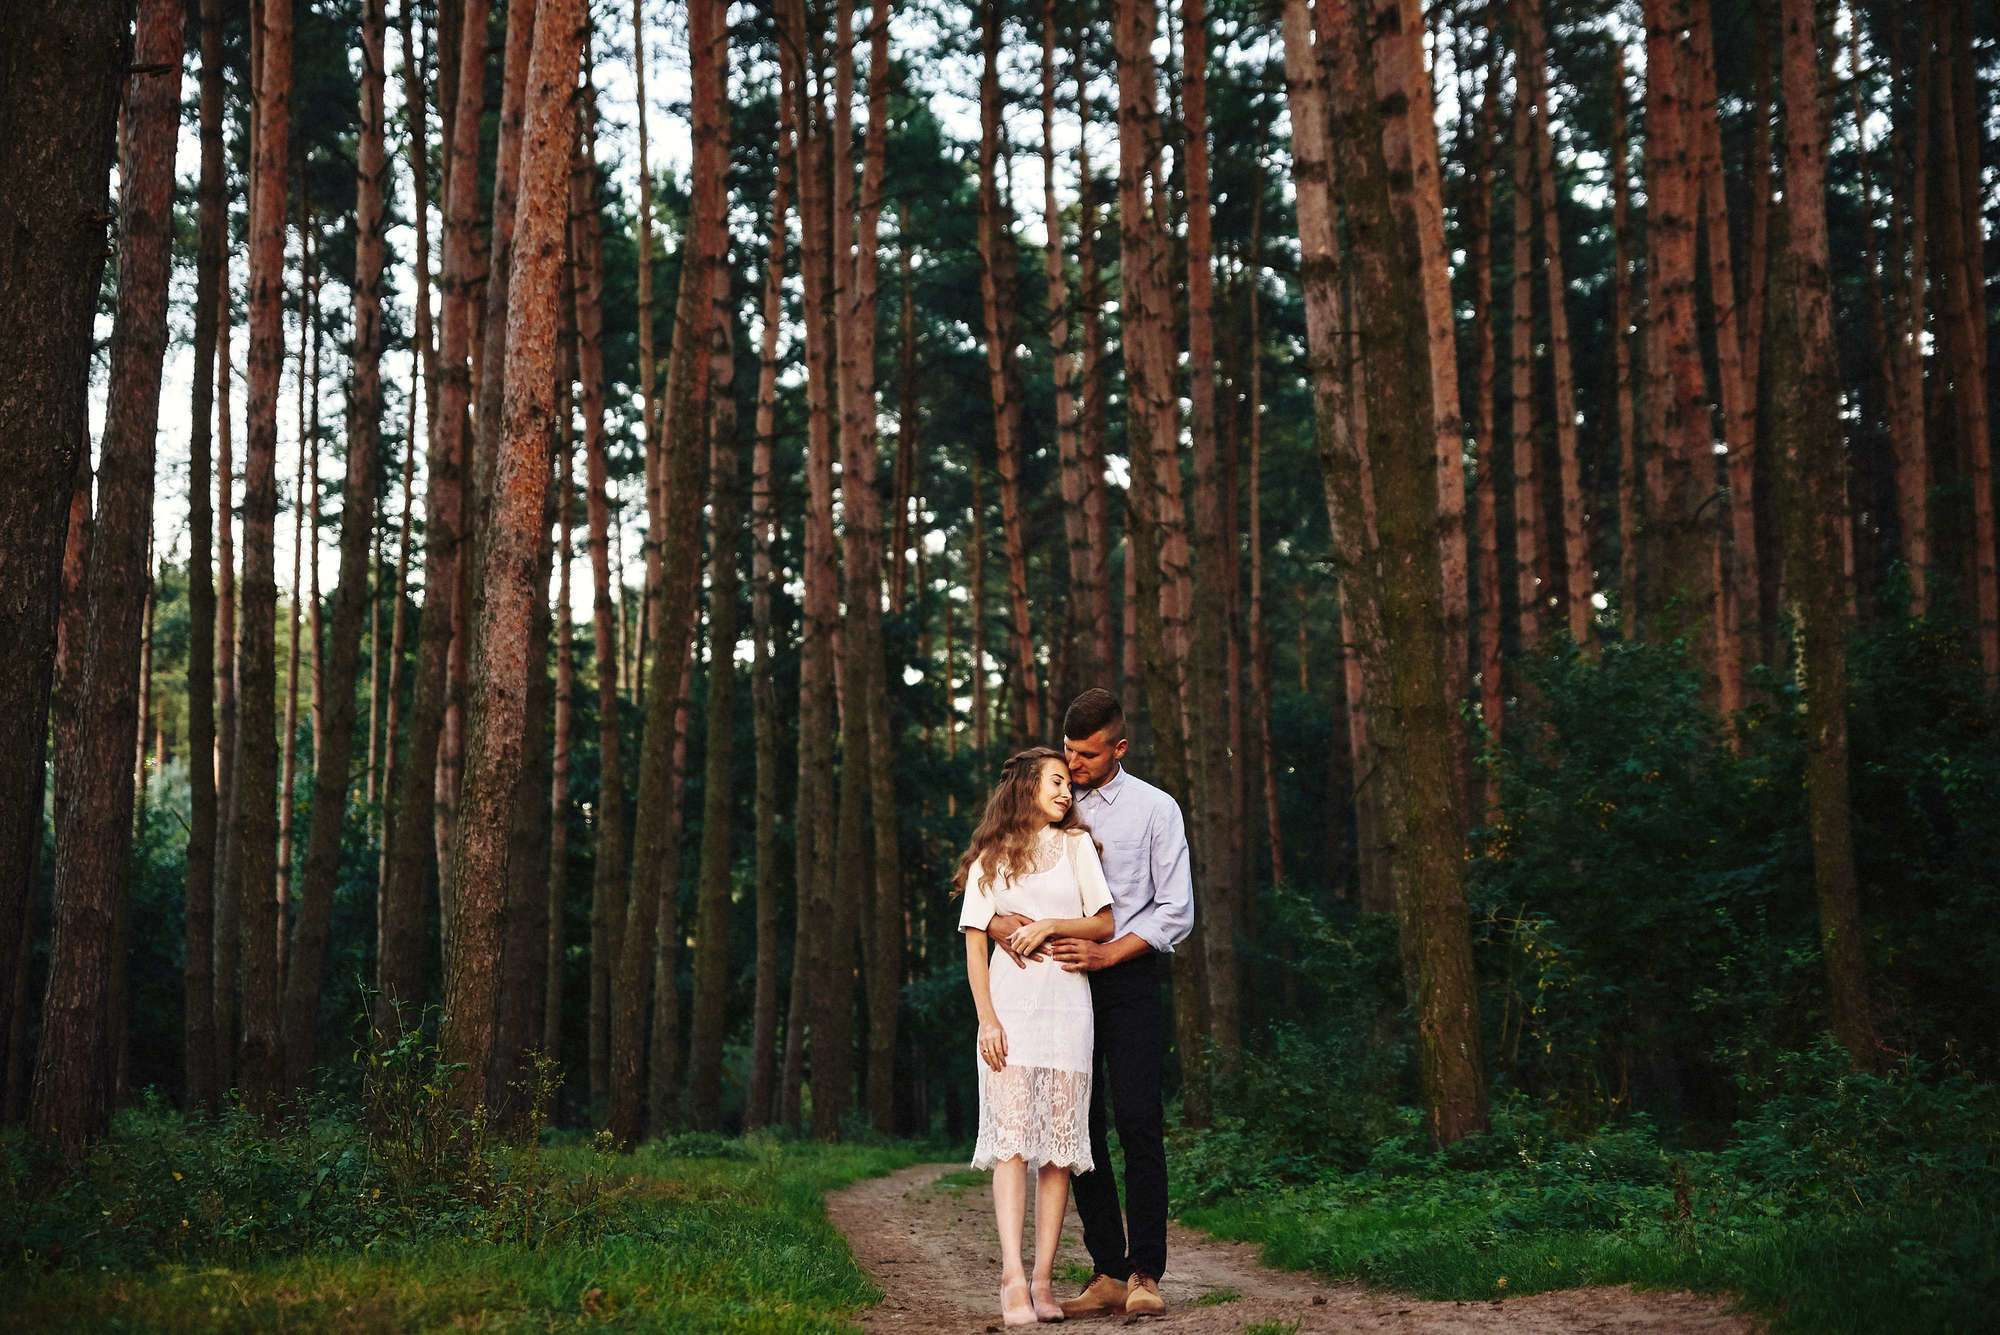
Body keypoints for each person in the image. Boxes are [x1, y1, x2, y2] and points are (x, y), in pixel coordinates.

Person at [986, 688, 1194, 1317]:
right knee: (1077, 1130)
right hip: (1053, 987)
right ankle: (1106, 1269)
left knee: (1137, 1121)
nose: (1073, 766)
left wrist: (1110, 954)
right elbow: (989, 884)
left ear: (1119, 749)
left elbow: (1175, 912)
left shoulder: (1155, 810)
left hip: (1124, 977)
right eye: (1069, 753)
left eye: (1087, 755)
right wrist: (1000, 927)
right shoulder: (1041, 804)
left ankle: (1144, 1275)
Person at [956, 745, 1117, 1325]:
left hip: (1069, 1012)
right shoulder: (990, 860)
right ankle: (1012, 1279)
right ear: (1025, 787)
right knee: (1014, 1147)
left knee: (1058, 1153)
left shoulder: (1077, 847)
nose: (1065, 792)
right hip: (1011, 1016)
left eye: (1067, 786)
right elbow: (975, 943)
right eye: (1055, 782)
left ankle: (1045, 1281)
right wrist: (987, 1020)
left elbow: (1104, 921)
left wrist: (1051, 924)